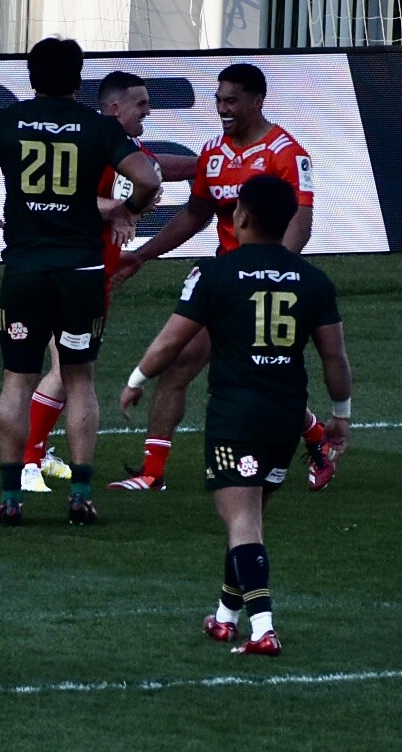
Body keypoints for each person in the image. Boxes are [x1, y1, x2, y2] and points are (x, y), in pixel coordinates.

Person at [119, 175, 352, 655]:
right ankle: (225, 616)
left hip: (236, 415)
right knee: (250, 519)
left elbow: (171, 341)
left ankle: (263, 628)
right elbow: (334, 357)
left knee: (241, 519)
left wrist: (137, 379)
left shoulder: (215, 273)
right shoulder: (314, 280)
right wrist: (340, 414)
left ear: (240, 217)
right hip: (286, 416)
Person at [0, 37, 160, 526]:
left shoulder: (7, 121)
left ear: (31, 76)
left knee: (17, 380)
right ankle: (80, 494)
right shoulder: (98, 126)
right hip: (81, 272)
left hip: (26, 269)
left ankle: (10, 497)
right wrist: (127, 211)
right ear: (79, 79)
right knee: (80, 379)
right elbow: (148, 179)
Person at [108, 62, 335, 491]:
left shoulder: (287, 153)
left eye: (231, 100)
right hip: (225, 283)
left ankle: (318, 439)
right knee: (179, 364)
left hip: (263, 287)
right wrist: (141, 255)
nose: (222, 109)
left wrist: (271, 274)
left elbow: (300, 222)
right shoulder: (212, 153)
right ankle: (152, 473)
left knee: (260, 380)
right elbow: (195, 214)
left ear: (257, 101)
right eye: (218, 100)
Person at [20, 70, 198, 494]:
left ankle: (35, 456)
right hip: (75, 271)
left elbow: (157, 166)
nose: (148, 110)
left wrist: (208, 163)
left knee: (66, 369)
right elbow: (68, 197)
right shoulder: (94, 143)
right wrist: (122, 208)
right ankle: (29, 462)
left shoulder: (121, 145)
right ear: (115, 108)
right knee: (68, 370)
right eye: (141, 104)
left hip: (85, 271)